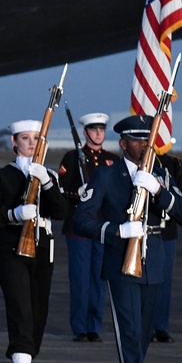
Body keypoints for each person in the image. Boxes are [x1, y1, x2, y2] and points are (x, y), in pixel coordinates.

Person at [73, 115, 182, 363]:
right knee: (129, 334)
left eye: (146, 139)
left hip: (155, 262)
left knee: (143, 338)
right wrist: (116, 231)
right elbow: (80, 220)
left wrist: (159, 191)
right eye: (137, 140)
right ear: (123, 143)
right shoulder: (106, 176)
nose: (144, 145)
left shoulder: (161, 173)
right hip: (121, 261)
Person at [0, 119, 67, 363]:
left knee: (38, 315)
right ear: (14, 142)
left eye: (36, 138)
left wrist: (48, 183)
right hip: (12, 249)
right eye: (25, 138)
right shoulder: (2, 177)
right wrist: (14, 214)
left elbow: (63, 210)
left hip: (42, 249)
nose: (31, 143)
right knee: (20, 310)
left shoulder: (48, 174)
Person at [57, 112, 118, 343]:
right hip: (79, 228)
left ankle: (94, 326)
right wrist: (76, 194)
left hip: (102, 226)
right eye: (93, 130)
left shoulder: (112, 160)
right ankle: (79, 327)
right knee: (80, 279)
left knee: (98, 279)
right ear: (85, 132)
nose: (98, 133)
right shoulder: (72, 158)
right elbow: (60, 190)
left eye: (101, 129)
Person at [150, 151, 182, 343]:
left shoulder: (171, 164)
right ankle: (146, 326)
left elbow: (181, 197)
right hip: (144, 230)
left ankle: (161, 326)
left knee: (165, 282)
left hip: (167, 230)